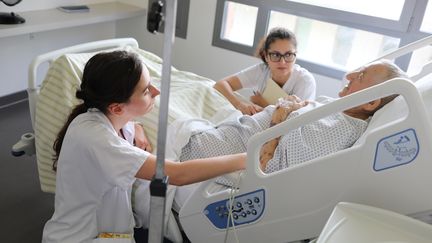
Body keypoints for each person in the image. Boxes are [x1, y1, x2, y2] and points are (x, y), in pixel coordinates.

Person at [42, 51, 246, 243]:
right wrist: (244, 159)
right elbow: (177, 174)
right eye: (147, 90)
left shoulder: (111, 118)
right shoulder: (95, 137)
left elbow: (124, 125)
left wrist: (137, 127)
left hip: (113, 234)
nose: (156, 91)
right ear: (116, 107)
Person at [177, 60, 407, 176]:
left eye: (361, 75)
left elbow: (271, 165)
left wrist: (281, 115)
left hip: (235, 142)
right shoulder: (341, 110)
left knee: (167, 124)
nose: (350, 74)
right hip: (240, 125)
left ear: (370, 102)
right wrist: (295, 105)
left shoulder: (340, 130)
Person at [213, 27, 316, 115]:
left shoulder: (305, 81)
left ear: (296, 55)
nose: (282, 62)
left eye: (288, 55)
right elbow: (220, 84)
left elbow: (294, 122)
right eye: (275, 55)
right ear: (266, 56)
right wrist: (240, 105)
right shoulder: (262, 70)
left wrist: (262, 102)